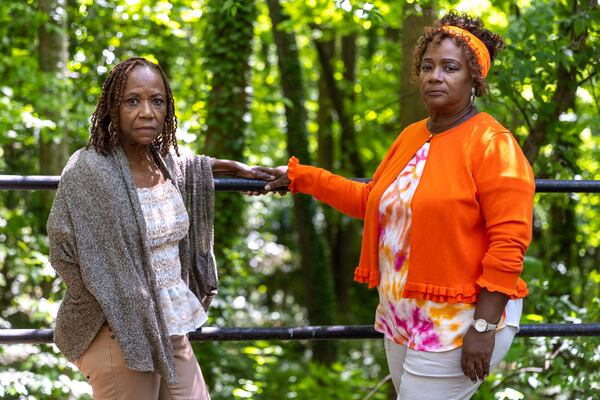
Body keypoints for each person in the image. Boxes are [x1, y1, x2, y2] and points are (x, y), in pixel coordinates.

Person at [262, 11, 535, 400]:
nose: (435, 76)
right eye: (427, 66)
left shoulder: (493, 143)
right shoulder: (412, 136)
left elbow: (509, 244)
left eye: (450, 67)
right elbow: (372, 200)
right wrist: (300, 177)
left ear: (475, 78)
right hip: (401, 314)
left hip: (458, 322)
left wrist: (483, 328)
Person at [47, 57, 273, 400]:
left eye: (157, 101)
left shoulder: (161, 161)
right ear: (113, 107)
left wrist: (234, 169)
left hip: (167, 323)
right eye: (132, 101)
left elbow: (188, 168)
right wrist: (111, 302)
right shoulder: (89, 169)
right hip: (115, 329)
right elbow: (62, 250)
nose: (147, 112)